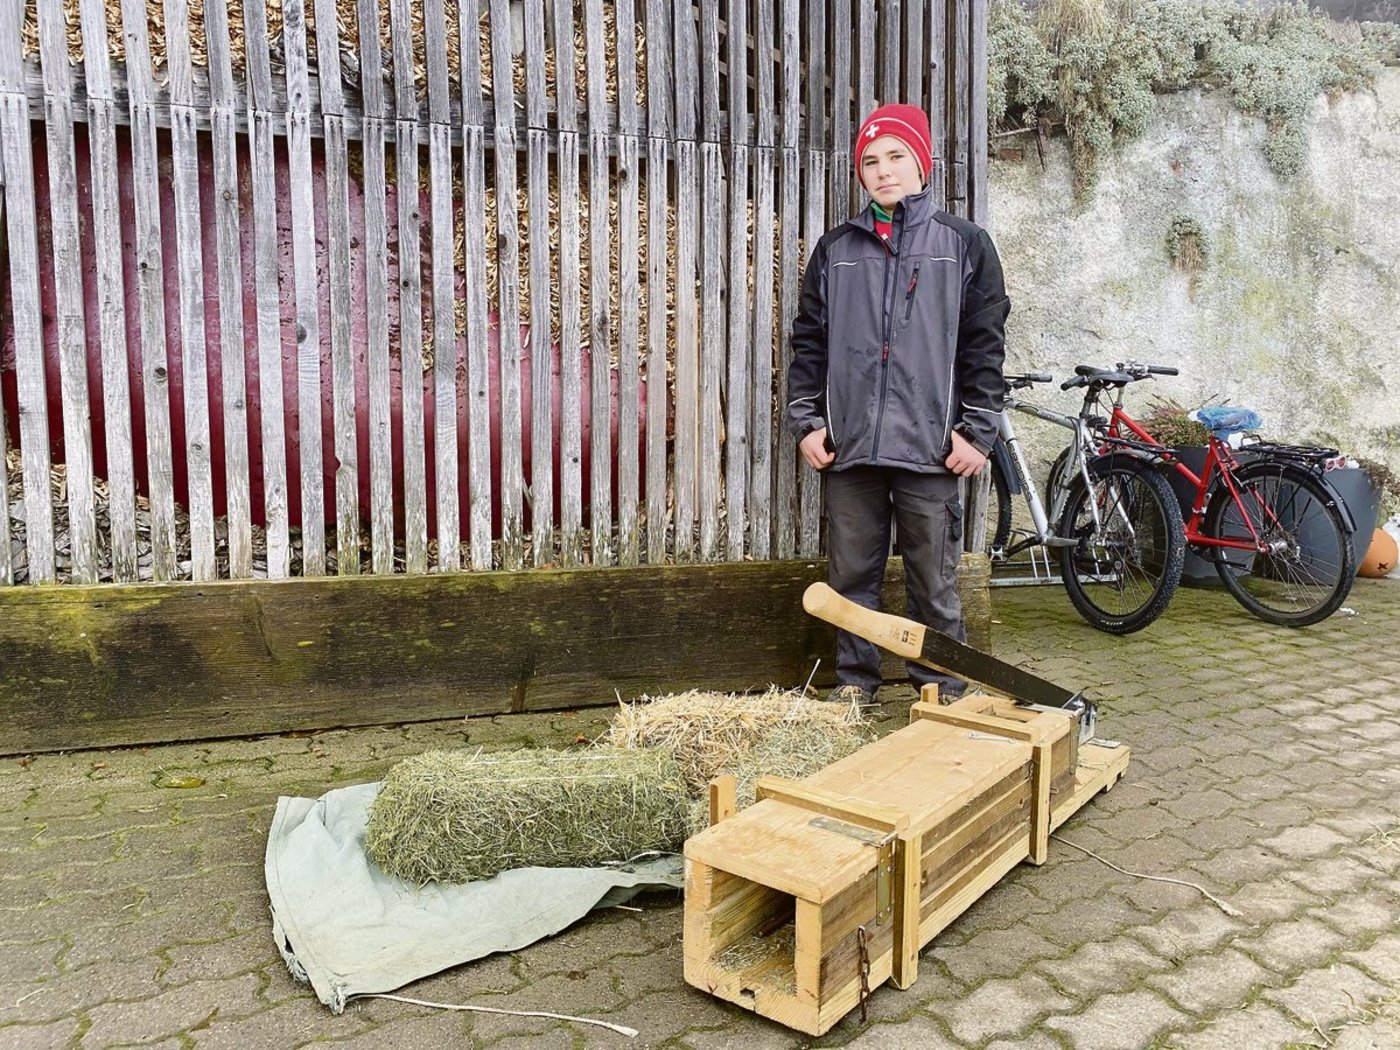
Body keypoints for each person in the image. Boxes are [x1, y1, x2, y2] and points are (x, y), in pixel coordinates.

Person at [785, 102, 1009, 707]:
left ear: (921, 164)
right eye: (870, 162)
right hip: (850, 450)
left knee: (933, 582)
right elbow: (809, 342)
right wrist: (806, 421)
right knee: (851, 578)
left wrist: (977, 431)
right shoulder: (836, 249)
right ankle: (855, 689)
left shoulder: (965, 245)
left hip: (932, 450)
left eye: (896, 157)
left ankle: (939, 689)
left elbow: (984, 345)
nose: (884, 171)